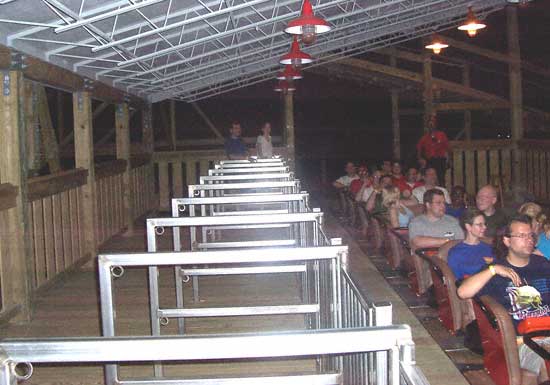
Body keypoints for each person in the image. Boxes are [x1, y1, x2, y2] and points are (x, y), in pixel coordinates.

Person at [457, 215, 550, 384]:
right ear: (507, 241)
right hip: (523, 342)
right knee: (545, 358)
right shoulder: (496, 271)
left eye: (530, 235)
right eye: (522, 236)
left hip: (548, 332)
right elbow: (463, 292)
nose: (529, 240)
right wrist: (492, 270)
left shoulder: (543, 264)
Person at [408, 188, 464, 294]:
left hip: (454, 257)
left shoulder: (452, 221)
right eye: (438, 203)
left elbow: (461, 242)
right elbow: (417, 241)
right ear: (428, 205)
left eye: (444, 203)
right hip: (432, 259)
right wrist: (447, 241)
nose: (443, 206)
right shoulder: (417, 222)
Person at [447, 208, 494, 280]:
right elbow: (457, 280)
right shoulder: (456, 252)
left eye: (484, 224)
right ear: (468, 227)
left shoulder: (489, 248)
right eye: (479, 225)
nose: (484, 227)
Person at [416, 114, 449, 185]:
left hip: (440, 161)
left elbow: (447, 148)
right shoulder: (424, 138)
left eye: (433, 122)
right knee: (429, 178)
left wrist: (448, 160)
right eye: (429, 123)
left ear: (435, 124)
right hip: (429, 161)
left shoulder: (441, 135)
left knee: (441, 179)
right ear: (427, 125)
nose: (431, 124)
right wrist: (421, 159)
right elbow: (418, 150)